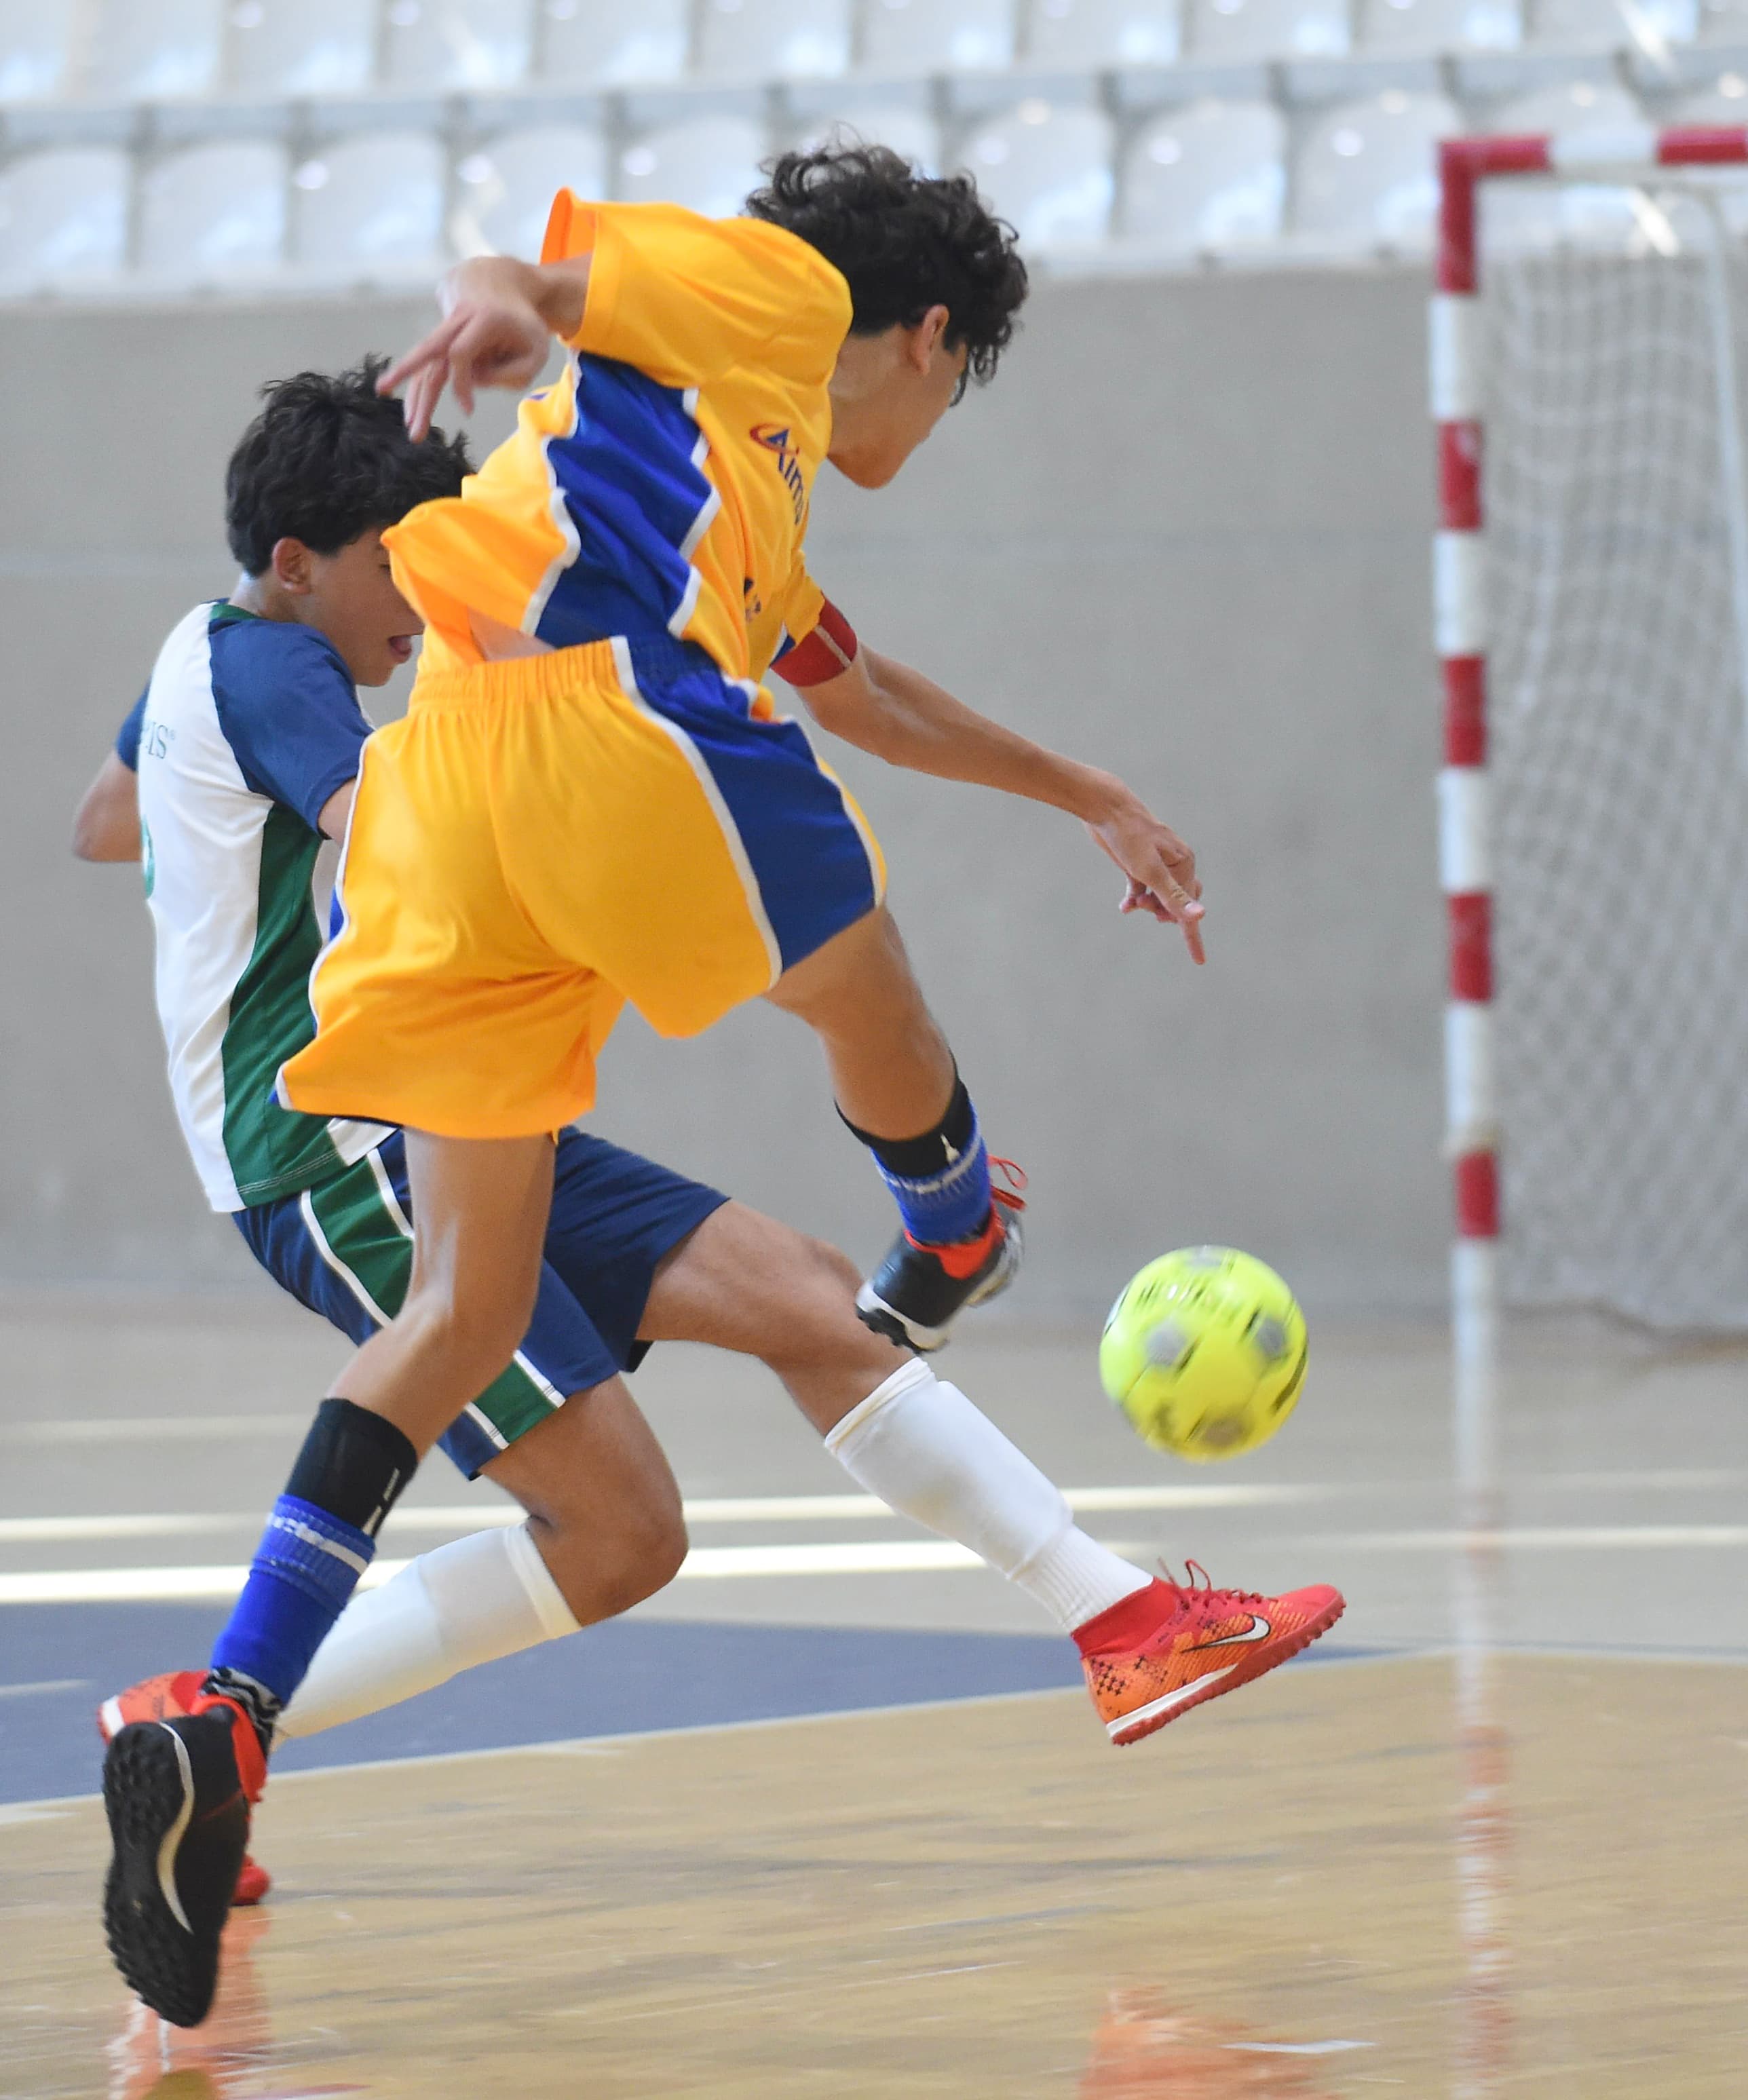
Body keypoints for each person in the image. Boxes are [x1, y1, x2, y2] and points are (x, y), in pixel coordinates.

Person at [96, 149, 1341, 2028]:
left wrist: (1089, 792)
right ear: (924, 334)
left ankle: (223, 1711)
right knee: (870, 994)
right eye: (954, 381)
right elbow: (549, 281)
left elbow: (863, 690)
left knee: (694, 1321)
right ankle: (955, 1223)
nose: (932, 414)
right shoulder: (781, 302)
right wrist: (499, 300)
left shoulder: (736, 501)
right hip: (583, 737)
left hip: (463, 822)